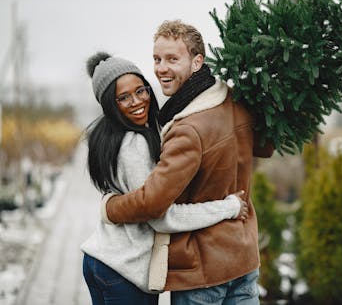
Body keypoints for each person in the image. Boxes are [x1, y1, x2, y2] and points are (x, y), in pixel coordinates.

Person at [101, 20, 274, 304]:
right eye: (157, 59)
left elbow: (152, 204)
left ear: (197, 62)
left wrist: (110, 208)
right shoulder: (234, 102)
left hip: (202, 271)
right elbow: (266, 147)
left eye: (172, 59)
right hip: (243, 257)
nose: (161, 69)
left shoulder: (186, 129)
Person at [81, 52, 249, 305]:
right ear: (110, 105)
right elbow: (161, 218)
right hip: (124, 271)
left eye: (141, 91)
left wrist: (109, 207)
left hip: (100, 260)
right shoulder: (135, 144)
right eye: (123, 98)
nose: (137, 101)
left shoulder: (107, 136)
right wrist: (229, 207)